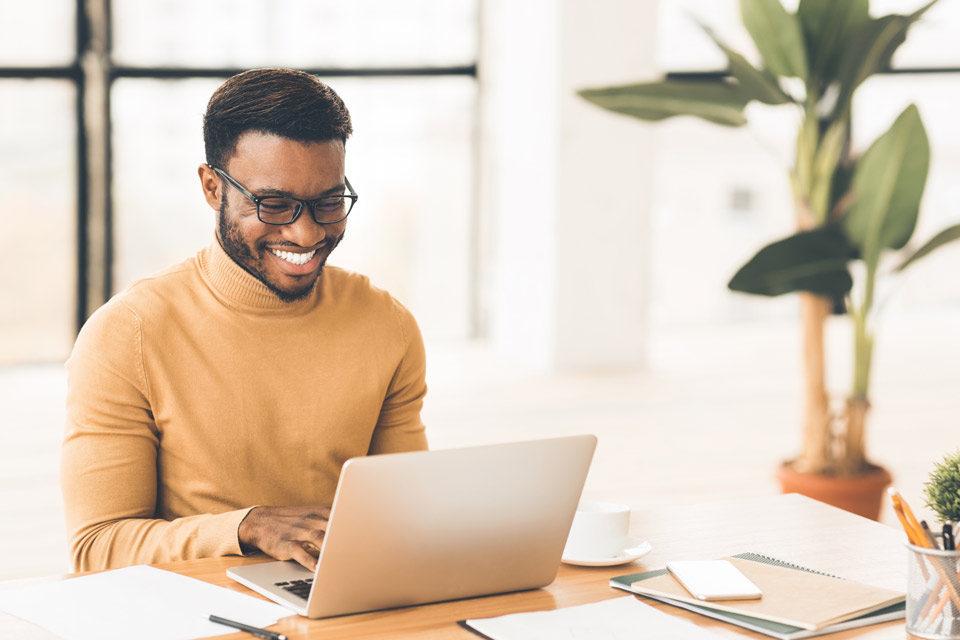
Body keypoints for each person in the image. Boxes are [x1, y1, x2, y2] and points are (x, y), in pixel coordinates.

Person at [61, 68, 429, 573]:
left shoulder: (388, 325)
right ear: (213, 188)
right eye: (274, 205)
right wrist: (246, 526)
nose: (305, 234)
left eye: (327, 202)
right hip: (192, 609)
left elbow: (408, 512)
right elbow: (97, 547)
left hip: (342, 599)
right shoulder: (128, 334)